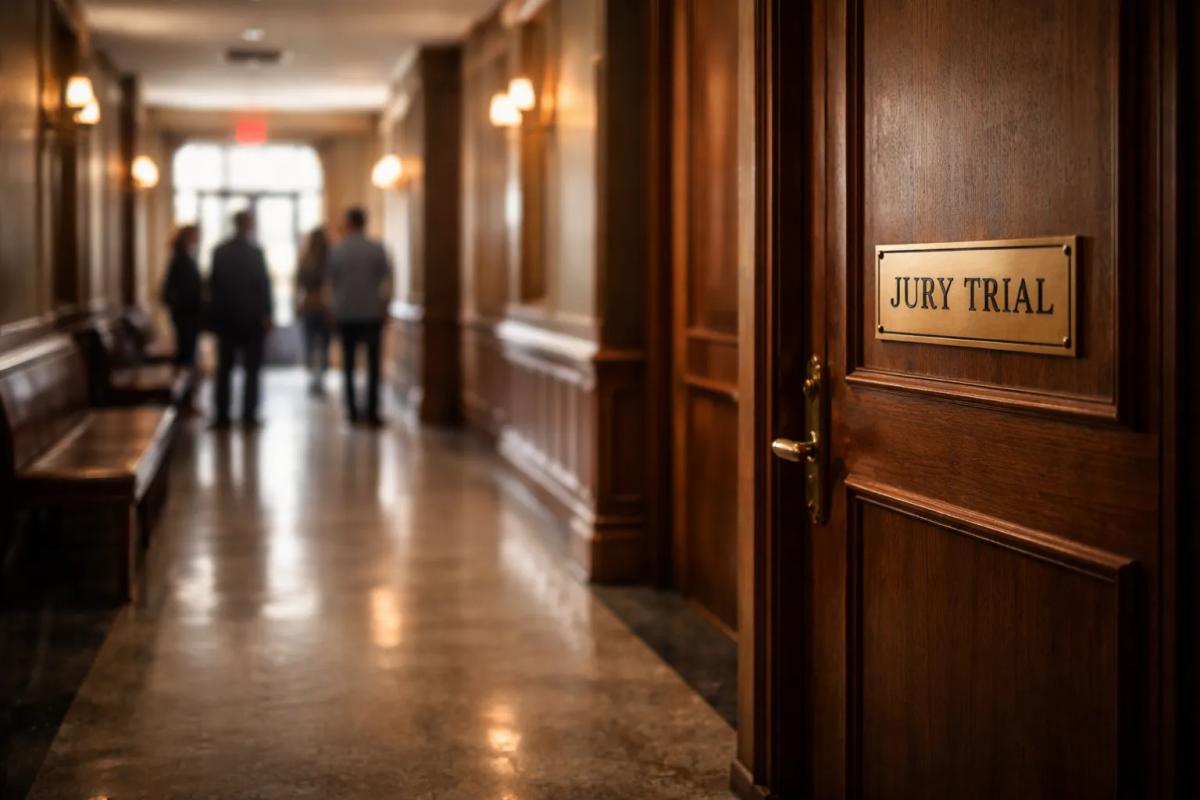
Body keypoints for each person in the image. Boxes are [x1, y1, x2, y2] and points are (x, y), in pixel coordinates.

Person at [207, 210, 273, 429]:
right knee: (251, 369)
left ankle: (222, 415)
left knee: (224, 369)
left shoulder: (219, 252)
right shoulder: (255, 253)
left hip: (226, 319)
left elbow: (213, 287)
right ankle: (249, 415)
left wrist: (213, 318)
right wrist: (267, 315)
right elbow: (263, 287)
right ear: (248, 225)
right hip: (252, 320)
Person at [328, 207, 391, 426]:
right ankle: (372, 411)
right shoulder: (376, 248)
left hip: (346, 314)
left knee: (348, 365)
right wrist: (384, 307)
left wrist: (332, 309)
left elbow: (330, 283)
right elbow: (387, 281)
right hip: (371, 313)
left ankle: (352, 411)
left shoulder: (338, 250)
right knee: (373, 365)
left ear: (349, 223)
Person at [294, 227, 332, 396]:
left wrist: (297, 305)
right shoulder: (329, 258)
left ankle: (315, 377)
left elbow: (298, 285)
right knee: (323, 344)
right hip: (325, 305)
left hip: (311, 305)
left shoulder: (306, 259)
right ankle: (319, 377)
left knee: (311, 343)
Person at [160, 224, 203, 370]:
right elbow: (176, 287)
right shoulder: (180, 258)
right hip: (185, 313)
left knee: (188, 349)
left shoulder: (187, 256)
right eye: (194, 235)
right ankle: (183, 378)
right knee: (186, 350)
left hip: (188, 312)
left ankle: (186, 378)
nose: (197, 238)